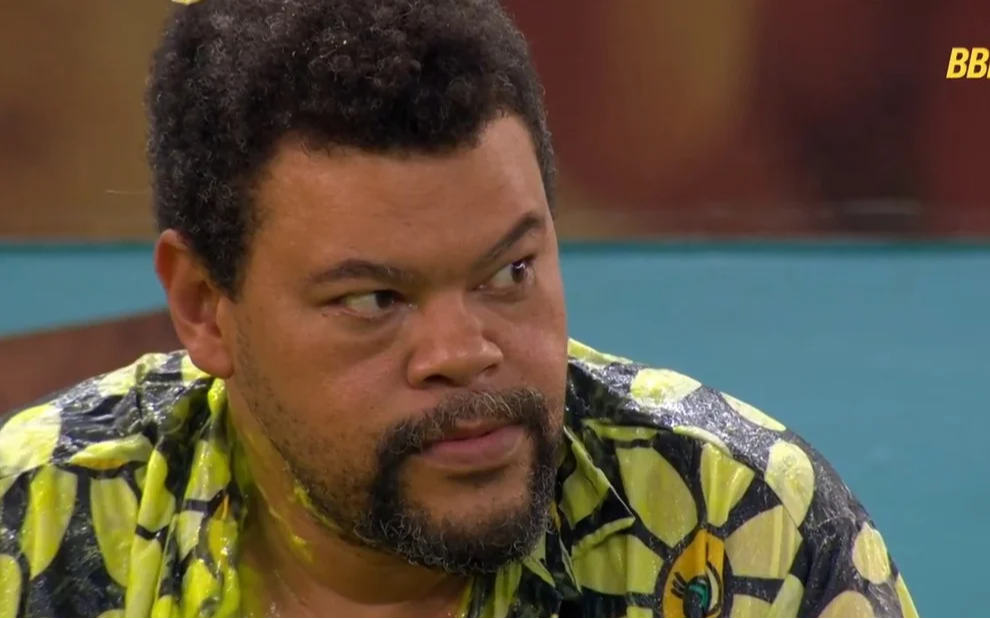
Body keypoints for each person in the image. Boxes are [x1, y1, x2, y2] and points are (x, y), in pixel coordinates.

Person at [0, 0, 919, 617]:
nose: (464, 350)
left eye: (508, 272)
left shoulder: (742, 526)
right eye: (374, 299)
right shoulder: (33, 519)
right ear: (205, 307)